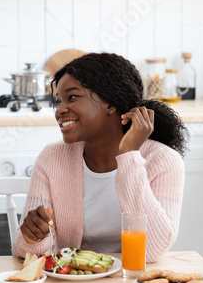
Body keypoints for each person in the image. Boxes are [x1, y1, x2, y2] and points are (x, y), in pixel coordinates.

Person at [12, 52, 187, 263]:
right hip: (72, 282)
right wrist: (33, 237)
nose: (59, 110)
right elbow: (28, 253)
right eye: (58, 101)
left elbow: (152, 251)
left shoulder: (163, 160)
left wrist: (129, 155)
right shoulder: (52, 158)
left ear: (111, 104)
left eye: (72, 97)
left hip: (135, 282)